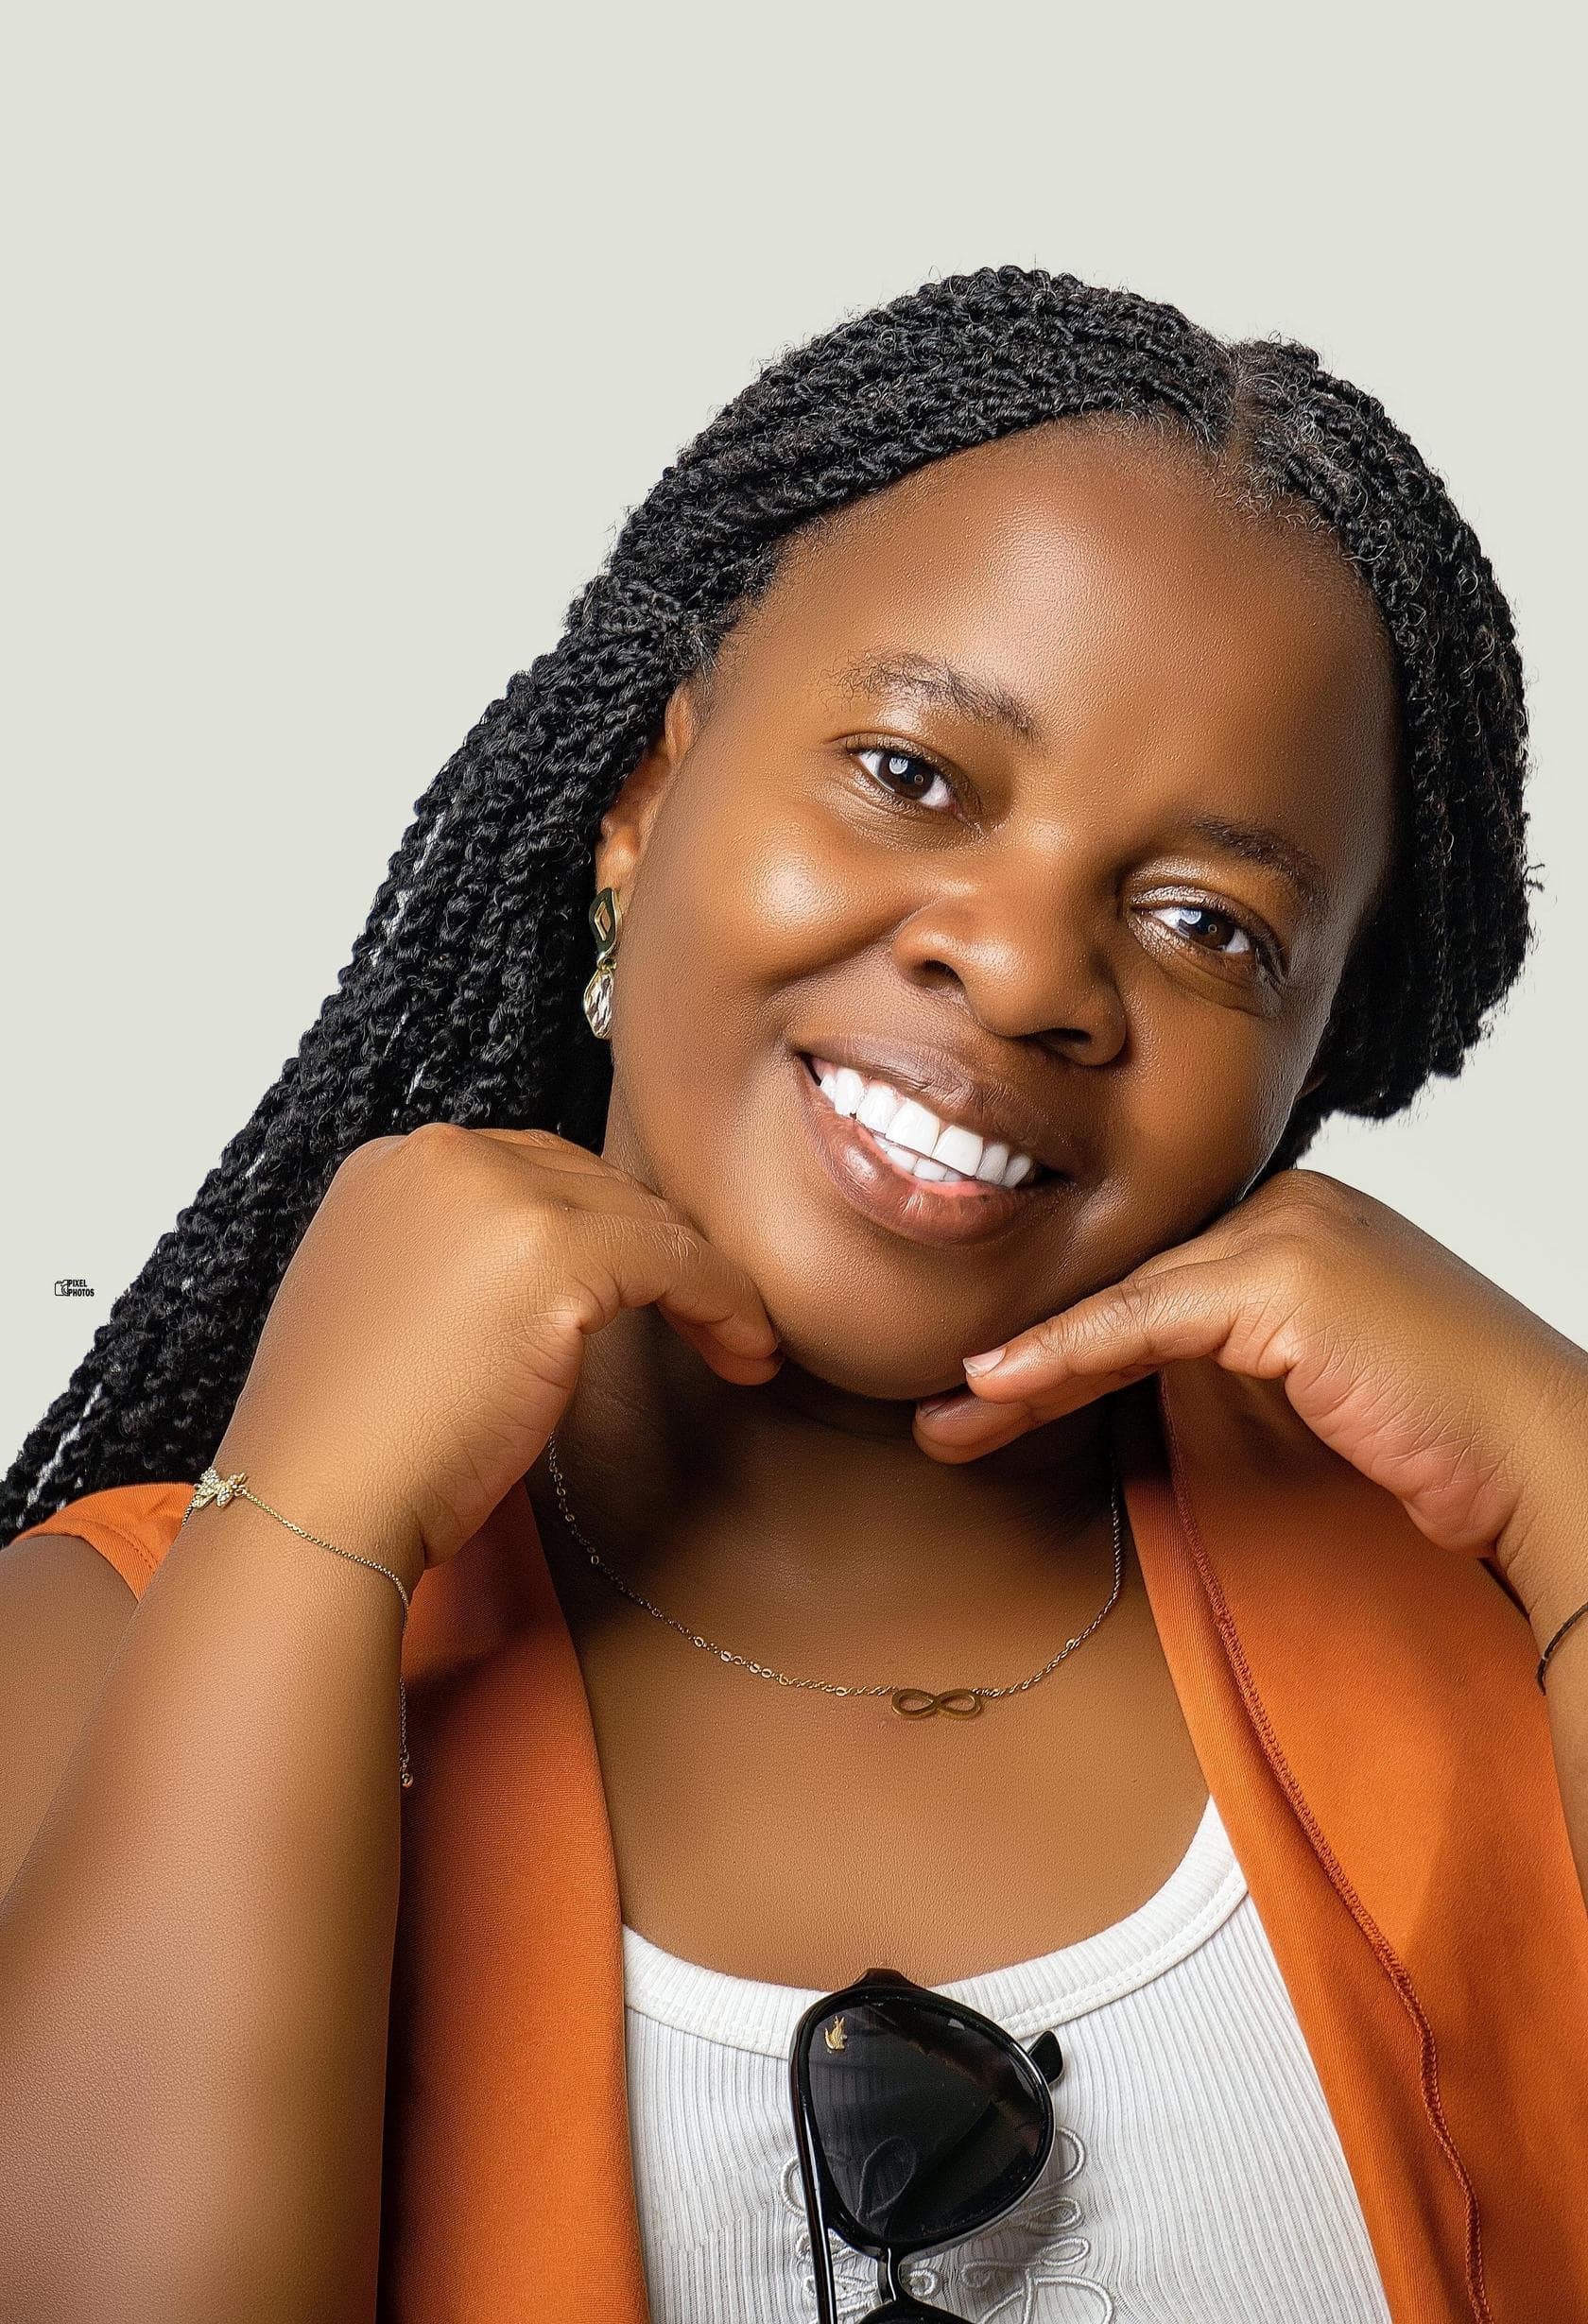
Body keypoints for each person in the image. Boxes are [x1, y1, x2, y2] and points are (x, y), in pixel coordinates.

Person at [2, 265, 1586, 2324]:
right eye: (914, 775)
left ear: (1309, 1063)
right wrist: (308, 1536)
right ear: (645, 803)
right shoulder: (99, 1659)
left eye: (1208, 921)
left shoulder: (1485, 1635)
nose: (1022, 972)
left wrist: (1572, 1477)